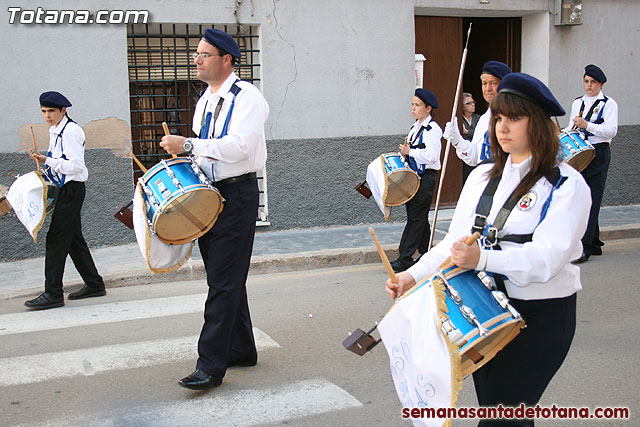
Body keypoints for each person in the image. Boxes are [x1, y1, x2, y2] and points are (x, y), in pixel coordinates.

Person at [386, 73, 591, 426]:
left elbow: (546, 259)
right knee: (501, 413)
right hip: (482, 308)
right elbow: (454, 244)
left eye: (514, 118)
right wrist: (410, 276)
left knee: (503, 417)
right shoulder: (482, 177)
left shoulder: (566, 185)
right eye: (498, 118)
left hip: (540, 317)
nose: (503, 127)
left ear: (538, 123)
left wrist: (482, 257)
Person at [160, 28, 269, 390]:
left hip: (236, 195)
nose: (197, 59)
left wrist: (187, 143)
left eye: (204, 54)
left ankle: (210, 365)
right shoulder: (205, 98)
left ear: (226, 59)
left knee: (223, 281)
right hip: (210, 195)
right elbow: (205, 149)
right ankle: (240, 348)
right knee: (225, 277)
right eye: (197, 54)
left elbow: (238, 147)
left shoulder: (247, 97)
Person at [25, 91, 106, 310]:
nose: (47, 115)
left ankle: (53, 293)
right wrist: (45, 160)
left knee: (56, 240)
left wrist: (48, 160)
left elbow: (76, 166)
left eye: (51, 111)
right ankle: (94, 284)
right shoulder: (56, 130)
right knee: (73, 239)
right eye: (44, 111)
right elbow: (61, 161)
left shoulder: (70, 132)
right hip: (65, 189)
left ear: (63, 110)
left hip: (72, 189)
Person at [564, 64, 618, 264]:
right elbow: (572, 126)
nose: (589, 85)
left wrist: (588, 125)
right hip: (580, 151)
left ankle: (584, 247)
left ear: (600, 84)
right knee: (581, 196)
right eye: (586, 81)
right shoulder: (577, 102)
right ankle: (594, 243)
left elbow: (612, 131)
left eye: (593, 82)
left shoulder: (609, 104)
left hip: (599, 152)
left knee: (592, 198)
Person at [389, 88, 442, 273]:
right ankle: (428, 253)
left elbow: (433, 156)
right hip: (413, 178)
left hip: (425, 178)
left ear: (428, 108)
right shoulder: (415, 127)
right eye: (412, 104)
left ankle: (404, 258)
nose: (413, 108)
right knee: (420, 219)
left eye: (417, 105)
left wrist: (410, 151)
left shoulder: (432, 129)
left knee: (415, 219)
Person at [443, 61, 511, 166]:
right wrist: (457, 141)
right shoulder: (484, 119)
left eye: (493, 83)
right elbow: (475, 157)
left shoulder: (513, 117)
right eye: (484, 83)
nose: (488, 89)